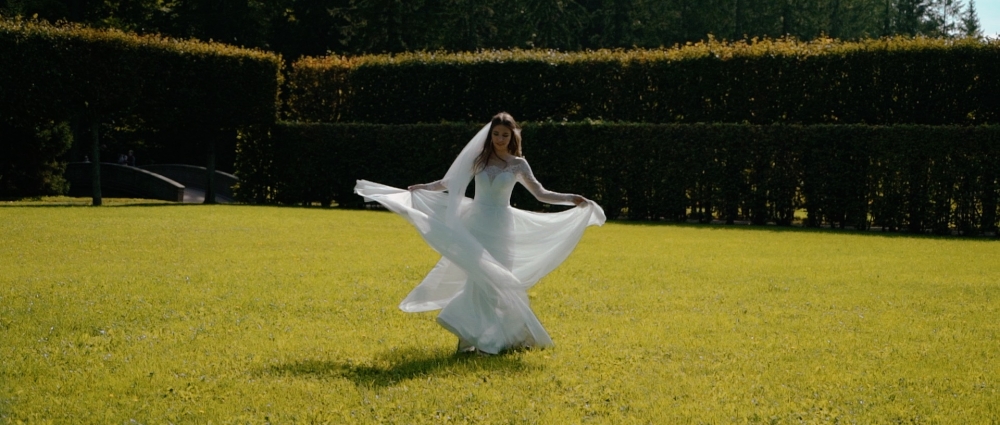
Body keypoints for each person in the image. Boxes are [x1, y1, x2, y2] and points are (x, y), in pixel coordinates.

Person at [355, 112, 605, 355]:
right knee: (477, 281)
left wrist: (572, 198)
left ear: (512, 137)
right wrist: (424, 188)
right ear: (490, 135)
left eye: (505, 135)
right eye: (496, 134)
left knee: (497, 283)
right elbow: (449, 182)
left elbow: (541, 193)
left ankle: (487, 338)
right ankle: (472, 341)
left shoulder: (518, 164)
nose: (499, 139)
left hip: (502, 228)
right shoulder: (479, 160)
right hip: (476, 225)